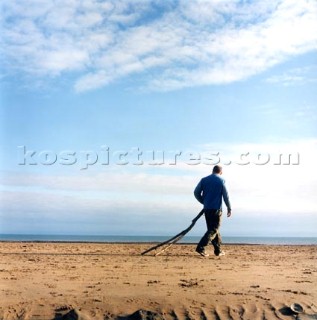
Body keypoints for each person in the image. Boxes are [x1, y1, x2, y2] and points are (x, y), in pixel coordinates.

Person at [194, 165, 232, 257]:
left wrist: (204, 202)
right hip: (216, 209)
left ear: (212, 171)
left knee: (214, 230)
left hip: (207, 209)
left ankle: (218, 251)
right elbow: (226, 196)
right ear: (221, 172)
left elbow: (196, 192)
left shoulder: (204, 180)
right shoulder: (221, 180)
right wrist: (229, 207)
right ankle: (201, 247)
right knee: (214, 230)